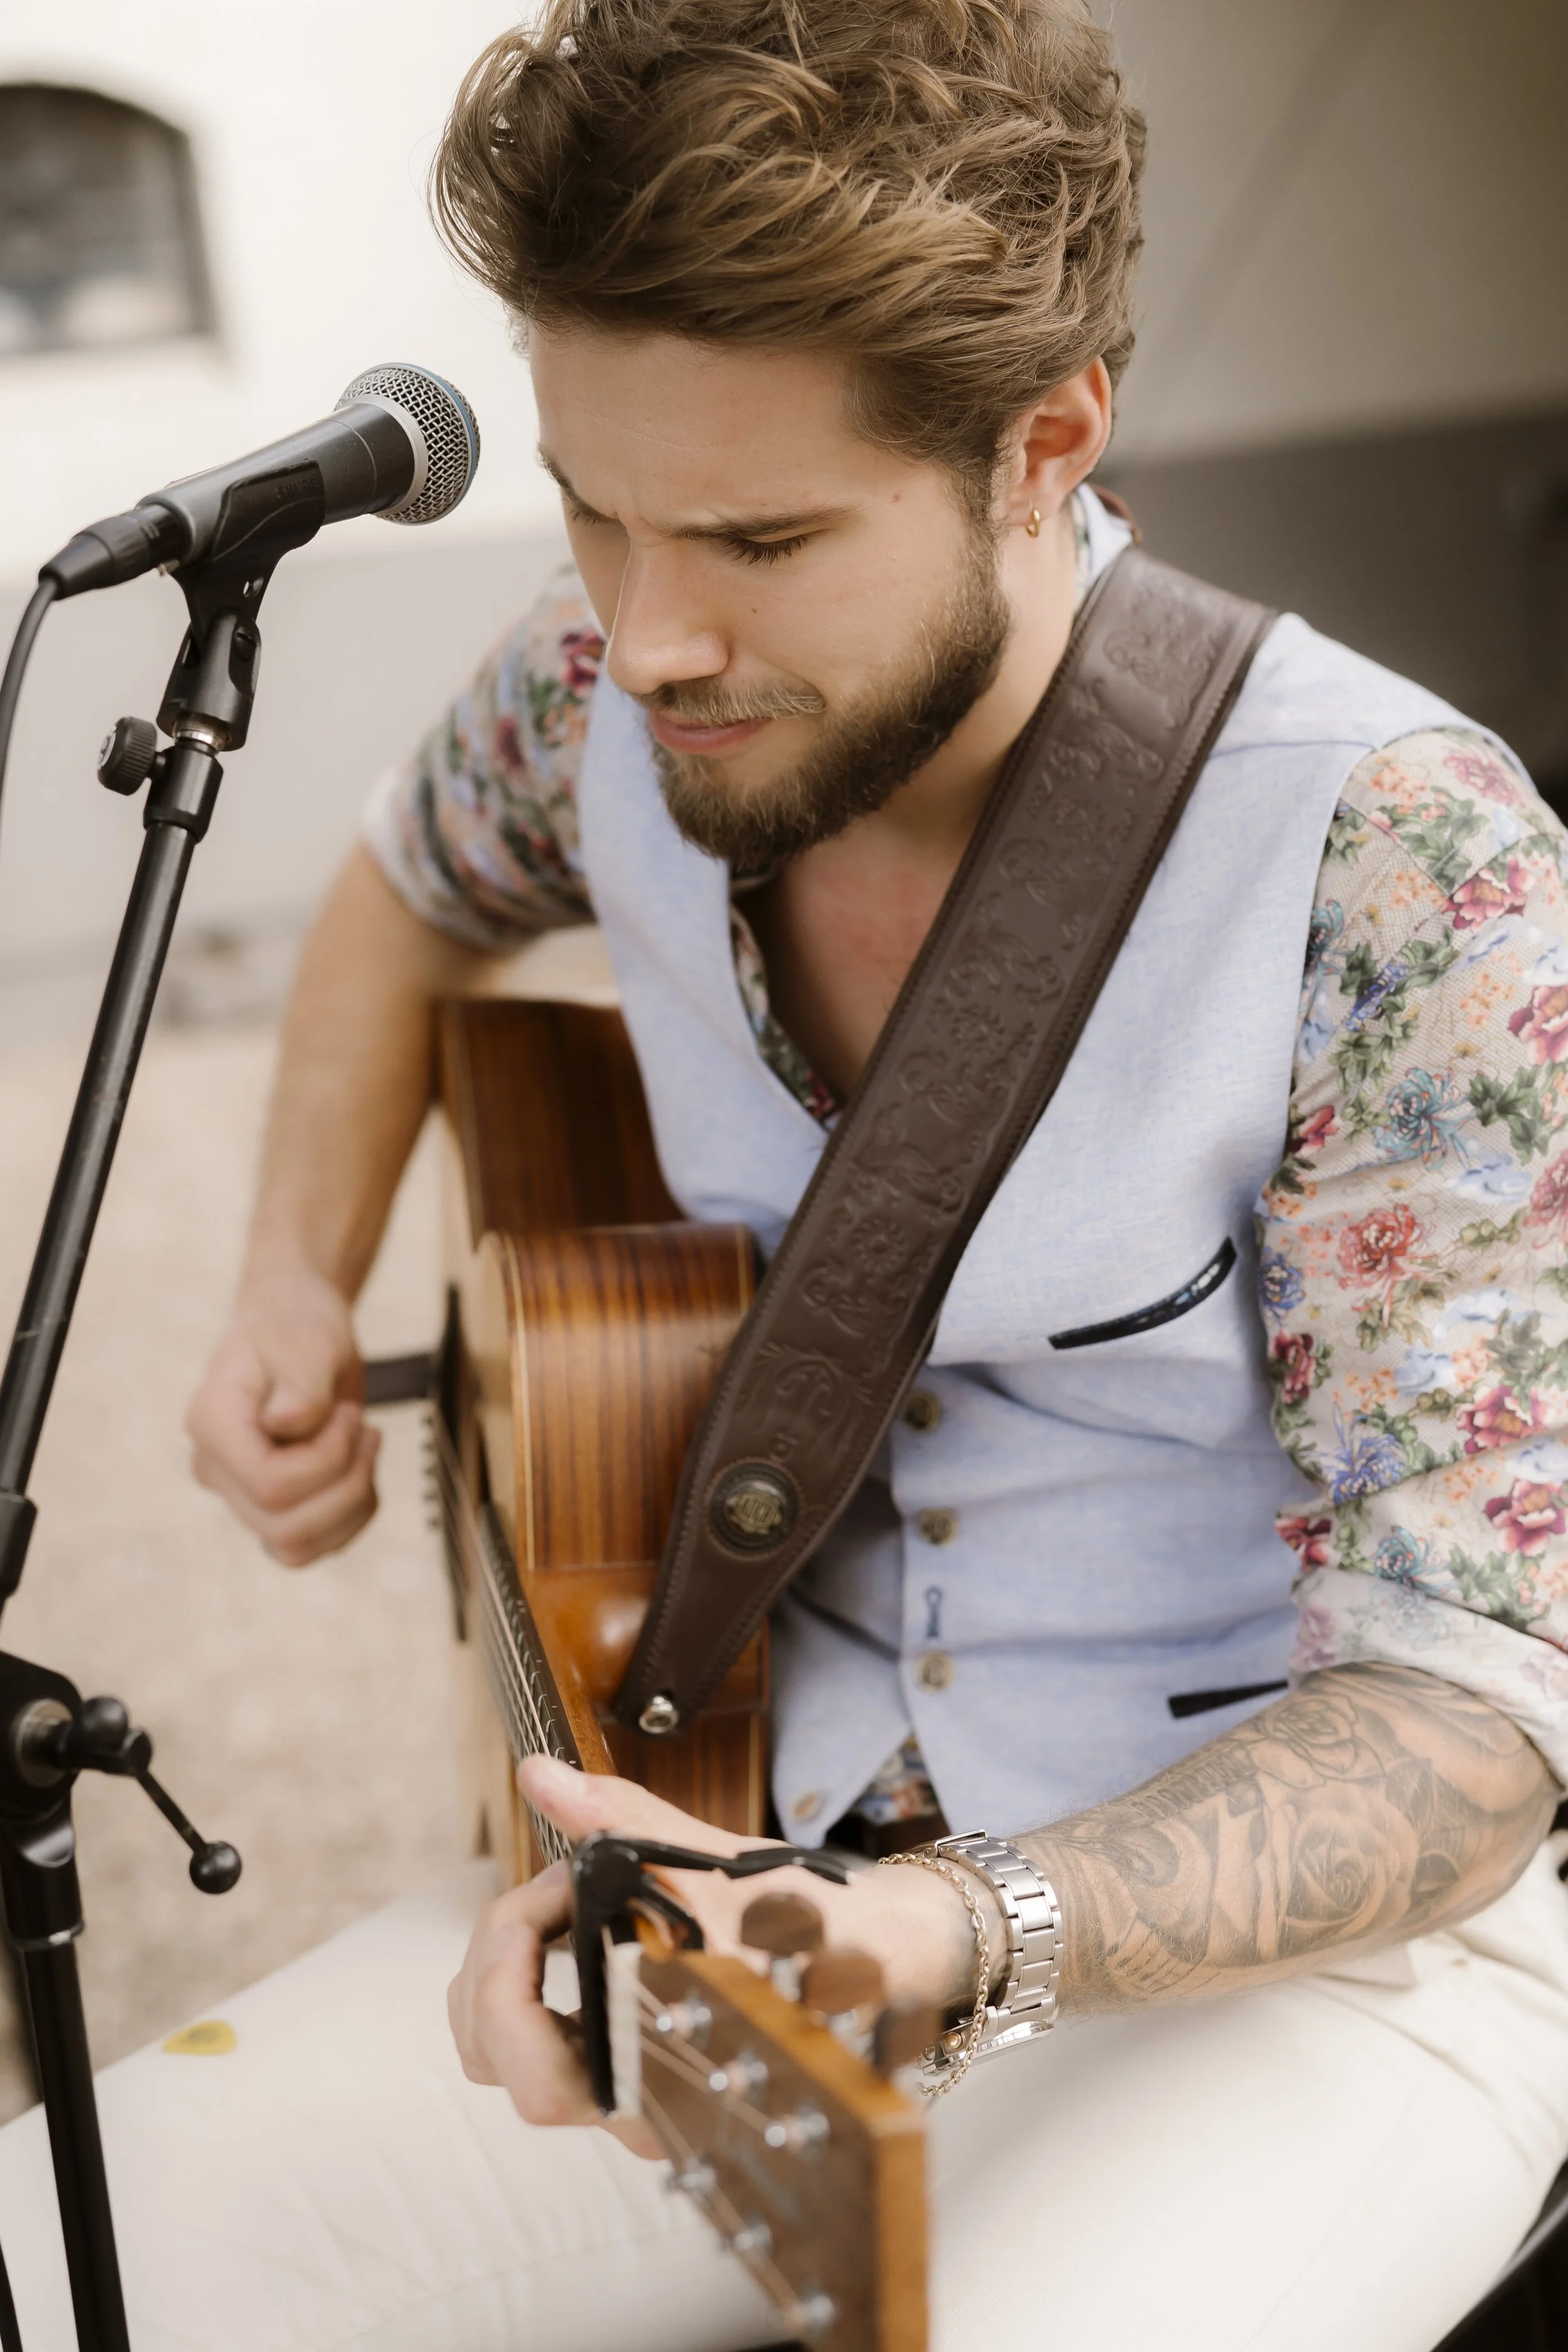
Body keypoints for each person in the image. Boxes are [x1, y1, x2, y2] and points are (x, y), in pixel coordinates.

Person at [4, 1, 1568, 2346]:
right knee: (54, 2257)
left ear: (1044, 448)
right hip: (733, 1882)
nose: (647, 635)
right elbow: (403, 881)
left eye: (757, 536)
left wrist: (949, 1928)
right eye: (593, 507)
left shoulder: (1396, 860)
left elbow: (1470, 1711)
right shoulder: (591, 688)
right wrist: (290, 1284)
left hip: (1308, 1977)